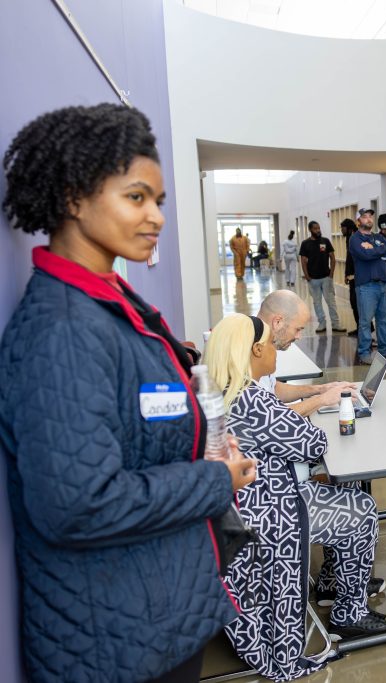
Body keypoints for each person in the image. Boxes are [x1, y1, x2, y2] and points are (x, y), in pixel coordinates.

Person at [0, 103, 258, 682]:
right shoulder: (62, 330)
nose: (156, 217)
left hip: (154, 619)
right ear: (73, 197)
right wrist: (216, 480)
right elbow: (79, 503)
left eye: (159, 202)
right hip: (110, 645)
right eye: (136, 197)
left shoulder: (114, 307)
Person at [208, 314, 386, 679]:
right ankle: (350, 612)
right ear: (256, 349)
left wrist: (313, 400)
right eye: (270, 343)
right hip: (271, 513)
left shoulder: (221, 390)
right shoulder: (250, 400)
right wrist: (326, 401)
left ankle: (332, 581)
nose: (279, 353)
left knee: (343, 487)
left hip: (240, 508)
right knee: (361, 509)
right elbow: (313, 444)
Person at [257, 290, 357, 416]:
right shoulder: (249, 352)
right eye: (297, 329)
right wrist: (322, 400)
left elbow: (273, 388)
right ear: (277, 322)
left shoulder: (259, 340)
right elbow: (270, 418)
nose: (299, 336)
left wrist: (320, 389)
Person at [351, 208, 386, 363]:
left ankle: (385, 350)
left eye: (370, 216)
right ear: (358, 221)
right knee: (366, 322)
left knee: (384, 319)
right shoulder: (355, 239)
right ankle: (364, 353)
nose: (368, 219)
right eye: (364, 217)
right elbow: (365, 256)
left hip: (383, 284)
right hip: (366, 286)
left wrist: (374, 248)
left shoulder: (379, 237)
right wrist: (380, 250)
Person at [299, 220, 343, 334]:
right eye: (315, 229)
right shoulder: (305, 244)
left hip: (326, 278)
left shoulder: (325, 241)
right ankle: (322, 323)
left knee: (331, 302)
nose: (318, 230)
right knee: (317, 303)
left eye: (318, 228)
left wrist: (331, 274)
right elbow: (303, 261)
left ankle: (335, 324)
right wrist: (307, 276)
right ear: (310, 230)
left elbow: (332, 258)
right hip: (313, 279)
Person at [342, 218, 360, 335]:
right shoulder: (349, 238)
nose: (341, 231)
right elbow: (348, 259)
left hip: (357, 276)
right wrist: (346, 274)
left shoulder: (355, 238)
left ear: (348, 228)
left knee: (357, 302)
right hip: (352, 276)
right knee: (354, 302)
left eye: (342, 228)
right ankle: (360, 328)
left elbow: (354, 259)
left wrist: (352, 274)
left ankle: (365, 328)